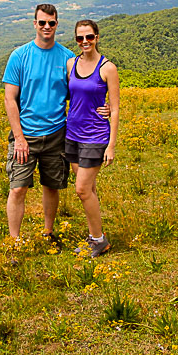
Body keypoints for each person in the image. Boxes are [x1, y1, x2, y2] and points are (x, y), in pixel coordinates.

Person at [2, 3, 74, 246]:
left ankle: (48, 232)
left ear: (56, 24)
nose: (46, 27)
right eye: (42, 22)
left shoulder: (68, 59)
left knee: (52, 185)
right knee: (18, 188)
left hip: (56, 133)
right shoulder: (19, 56)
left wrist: (102, 108)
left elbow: (79, 95)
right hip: (26, 135)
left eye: (51, 23)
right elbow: (10, 99)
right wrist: (19, 138)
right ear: (35, 24)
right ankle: (15, 241)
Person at [65, 19, 119, 258]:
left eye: (89, 37)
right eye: (80, 38)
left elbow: (115, 109)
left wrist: (111, 145)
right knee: (89, 189)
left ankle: (99, 240)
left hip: (95, 135)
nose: (84, 42)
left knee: (82, 189)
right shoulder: (71, 64)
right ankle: (93, 235)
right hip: (72, 134)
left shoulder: (108, 68)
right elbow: (72, 95)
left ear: (97, 37)